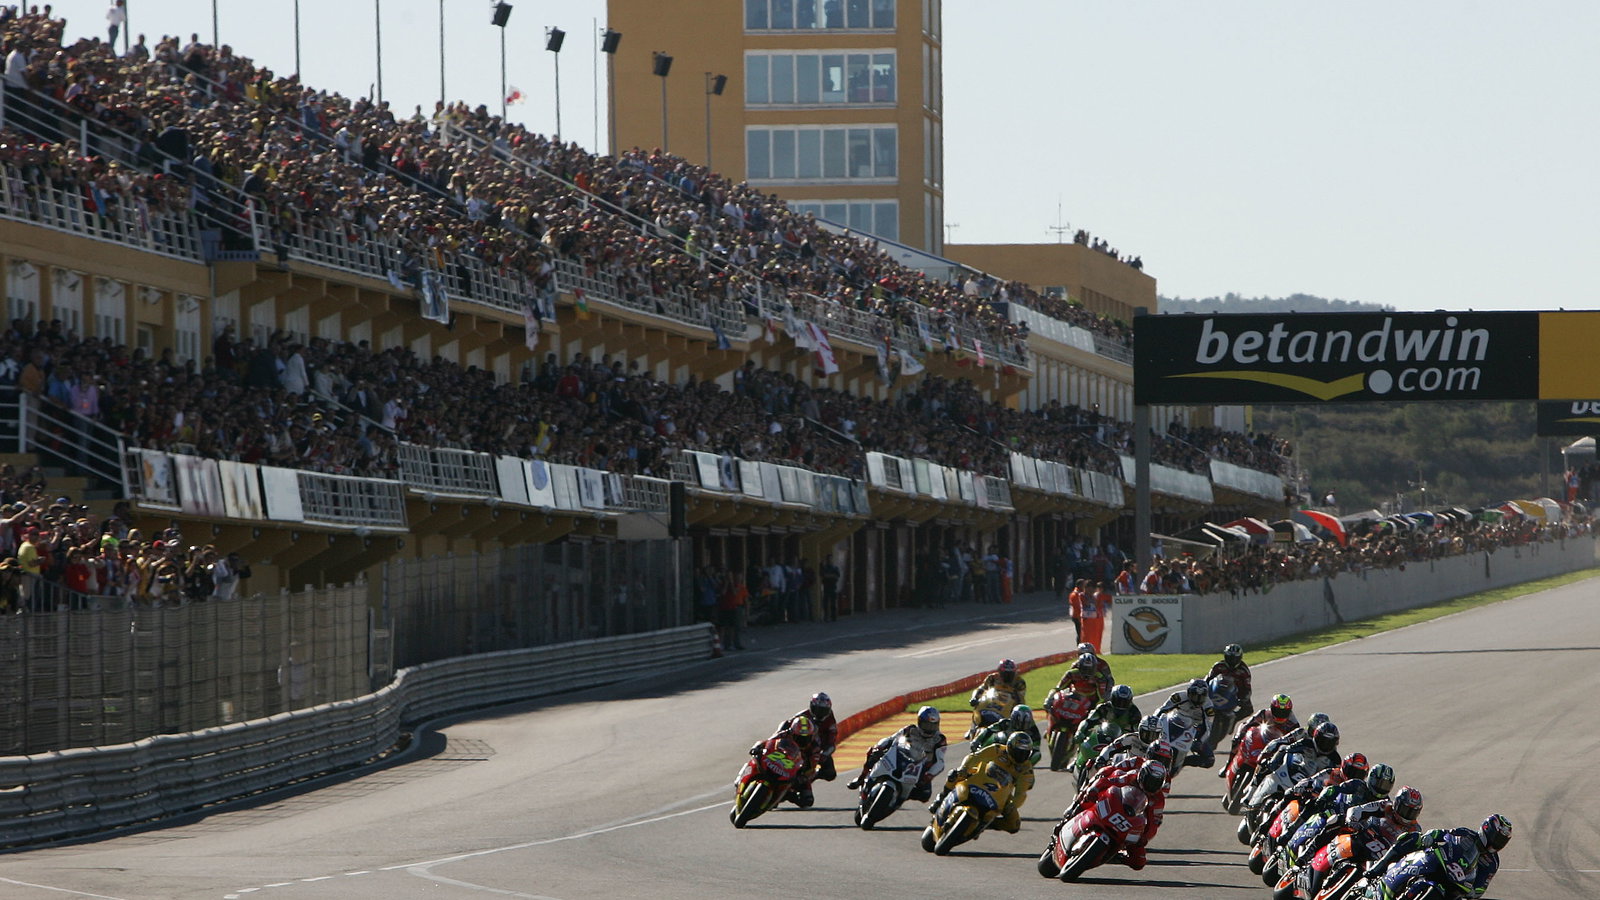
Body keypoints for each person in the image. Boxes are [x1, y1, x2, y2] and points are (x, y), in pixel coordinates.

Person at [1366, 814, 1510, 899]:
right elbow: (1442, 834)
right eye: (1496, 837)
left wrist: (1474, 892)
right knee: (1412, 838)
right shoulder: (1466, 833)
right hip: (1441, 865)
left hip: (1457, 885)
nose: (1496, 843)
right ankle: (1379, 867)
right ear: (1486, 830)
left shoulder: (1492, 862)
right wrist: (1431, 836)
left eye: (1501, 840)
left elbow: (1481, 886)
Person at [1073, 759, 1170, 870]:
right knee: (1088, 798)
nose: (1151, 785)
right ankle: (1072, 815)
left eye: (1156, 783)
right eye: (1149, 780)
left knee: (1139, 862)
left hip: (1130, 823)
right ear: (1142, 775)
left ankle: (1116, 856)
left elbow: (1154, 822)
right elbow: (1109, 781)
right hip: (1114, 808)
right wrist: (1094, 789)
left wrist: (1144, 838)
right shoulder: (1132, 776)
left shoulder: (1158, 799)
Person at [933, 731, 1035, 833]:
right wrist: (964, 768)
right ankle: (942, 798)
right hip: (981, 777)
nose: (1021, 756)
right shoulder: (998, 750)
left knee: (1014, 825)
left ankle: (988, 823)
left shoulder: (1026, 769)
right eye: (1019, 752)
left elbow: (1021, 792)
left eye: (1025, 753)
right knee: (955, 774)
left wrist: (1014, 805)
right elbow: (976, 757)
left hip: (1001, 793)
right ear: (1010, 747)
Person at [847, 706, 946, 802]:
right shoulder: (910, 729)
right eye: (926, 725)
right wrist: (879, 748)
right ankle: (862, 778)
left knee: (925, 795)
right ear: (919, 722)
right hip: (902, 757)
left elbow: (940, 762)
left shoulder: (940, 740)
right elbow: (892, 738)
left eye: (932, 726)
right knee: (873, 754)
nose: (929, 729)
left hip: (920, 769)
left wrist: (928, 776)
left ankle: (900, 796)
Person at [1154, 678, 1216, 768]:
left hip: (1195, 729)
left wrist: (1200, 741)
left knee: (1209, 760)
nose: (1197, 700)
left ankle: (1182, 762)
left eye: (1201, 697)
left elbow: (1208, 727)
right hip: (1175, 722)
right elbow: (1163, 709)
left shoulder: (1208, 707)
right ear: (1188, 692)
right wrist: (1154, 720)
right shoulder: (1178, 696)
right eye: (1195, 696)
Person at [1072, 683, 1141, 756]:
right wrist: (1080, 732)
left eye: (1124, 702)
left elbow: (1138, 732)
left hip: (1120, 741)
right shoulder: (1103, 707)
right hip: (1100, 736)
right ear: (1112, 698)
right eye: (1118, 701)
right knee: (1085, 743)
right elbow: (1088, 721)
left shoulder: (1134, 713)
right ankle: (1077, 760)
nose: (1121, 705)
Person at [1208, 643, 1254, 720]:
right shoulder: (1218, 666)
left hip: (1235, 694)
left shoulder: (1244, 671)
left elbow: (1247, 687)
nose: (1232, 660)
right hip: (1217, 691)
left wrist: (1244, 698)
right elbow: (1208, 679)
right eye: (1229, 657)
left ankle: (1233, 720)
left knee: (1248, 709)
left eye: (1234, 658)